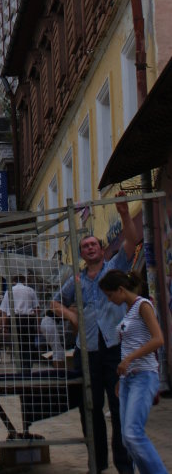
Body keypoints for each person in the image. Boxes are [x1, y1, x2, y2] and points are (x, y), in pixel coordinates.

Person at [52, 195, 137, 474]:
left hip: (115, 349)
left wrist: (124, 214)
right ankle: (97, 464)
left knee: (119, 407)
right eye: (85, 246)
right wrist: (71, 315)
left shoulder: (113, 270)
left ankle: (124, 465)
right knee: (91, 410)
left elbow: (130, 243)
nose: (90, 248)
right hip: (86, 351)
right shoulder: (74, 281)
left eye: (93, 244)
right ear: (81, 254)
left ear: (101, 250)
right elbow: (53, 303)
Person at [97, 269, 165, 474]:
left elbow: (158, 339)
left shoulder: (143, 306)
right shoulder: (128, 310)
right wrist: (122, 375)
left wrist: (129, 359)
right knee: (127, 438)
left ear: (120, 289)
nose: (110, 300)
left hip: (143, 375)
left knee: (133, 433)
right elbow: (130, 343)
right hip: (128, 378)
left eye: (110, 295)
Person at [0, 273, 39, 374]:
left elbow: (4, 312)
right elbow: (37, 309)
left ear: (13, 281)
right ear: (24, 281)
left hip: (14, 320)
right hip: (28, 319)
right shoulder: (30, 290)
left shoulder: (9, 292)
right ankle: (28, 368)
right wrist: (37, 324)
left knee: (17, 344)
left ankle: (20, 369)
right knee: (28, 344)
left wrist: (3, 326)